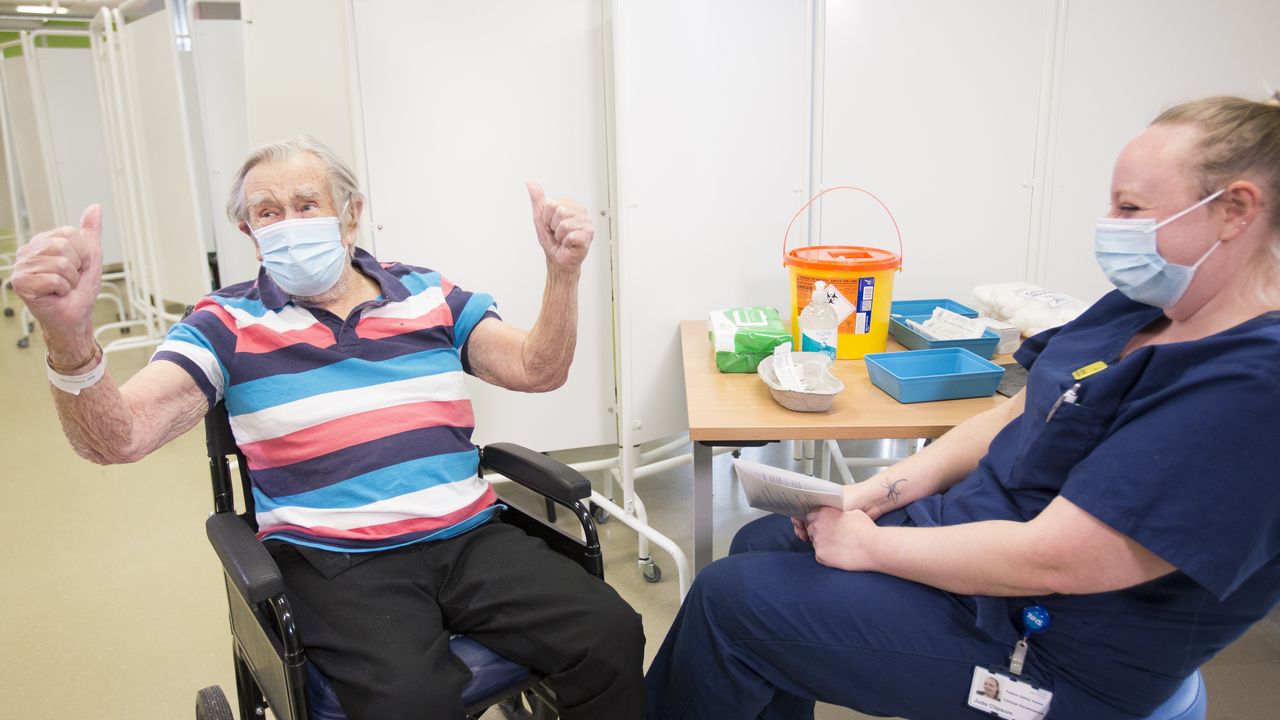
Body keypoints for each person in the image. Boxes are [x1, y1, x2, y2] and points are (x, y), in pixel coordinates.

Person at [646, 95, 1280, 719]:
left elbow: (1055, 557)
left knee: (730, 605)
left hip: (1050, 651)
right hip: (978, 556)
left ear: (1234, 211)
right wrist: (883, 491)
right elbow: (1013, 413)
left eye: (1131, 208)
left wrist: (870, 549)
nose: (1110, 224)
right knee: (761, 544)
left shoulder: (1249, 388)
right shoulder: (1149, 307)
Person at [12, 136, 644, 720]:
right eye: (267, 212)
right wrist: (69, 337)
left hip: (470, 534)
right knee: (412, 704)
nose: (288, 222)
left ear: (350, 213)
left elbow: (538, 368)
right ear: (248, 232)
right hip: (335, 558)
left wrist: (562, 272)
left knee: (610, 634)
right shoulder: (223, 323)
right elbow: (116, 438)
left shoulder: (427, 293)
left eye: (306, 203)